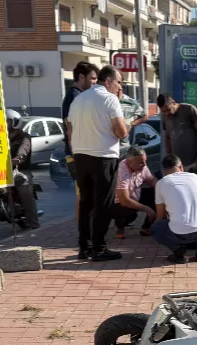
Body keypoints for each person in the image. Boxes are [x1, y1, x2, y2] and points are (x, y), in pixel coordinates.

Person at [66, 65, 129, 261]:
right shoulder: (110, 99)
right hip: (103, 156)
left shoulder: (78, 99)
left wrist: (77, 150)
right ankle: (99, 248)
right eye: (118, 82)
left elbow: (69, 129)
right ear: (108, 81)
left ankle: (84, 247)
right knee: (103, 204)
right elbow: (121, 132)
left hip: (81, 156)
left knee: (86, 203)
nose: (120, 87)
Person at [152, 154, 197, 264]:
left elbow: (160, 216)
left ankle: (178, 251)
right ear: (181, 167)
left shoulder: (161, 183)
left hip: (182, 232)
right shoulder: (196, 178)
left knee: (157, 227)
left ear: (164, 170)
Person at [62, 61, 99, 221]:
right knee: (83, 194)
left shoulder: (78, 96)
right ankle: (83, 227)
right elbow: (70, 126)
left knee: (86, 193)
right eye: (93, 78)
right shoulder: (75, 96)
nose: (95, 82)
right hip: (77, 154)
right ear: (82, 77)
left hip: (80, 153)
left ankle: (85, 226)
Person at [157, 93, 197, 173]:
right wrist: (169, 155)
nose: (167, 113)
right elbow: (167, 136)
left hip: (194, 161)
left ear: (173, 103)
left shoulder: (189, 109)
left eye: (168, 109)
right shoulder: (164, 117)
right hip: (177, 164)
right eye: (163, 111)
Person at [113, 146, 157, 239]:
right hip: (119, 202)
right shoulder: (121, 171)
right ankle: (120, 228)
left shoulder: (143, 167)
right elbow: (124, 200)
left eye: (145, 161)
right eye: (141, 162)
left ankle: (146, 227)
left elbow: (152, 180)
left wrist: (164, 189)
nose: (144, 165)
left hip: (136, 196)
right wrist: (148, 210)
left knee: (157, 195)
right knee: (129, 213)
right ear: (129, 162)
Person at [6, 109, 39, 230]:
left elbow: (23, 150)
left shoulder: (24, 137)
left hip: (20, 170)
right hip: (2, 170)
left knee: (23, 187)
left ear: (15, 122)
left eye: (7, 121)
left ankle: (33, 223)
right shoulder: (0, 137)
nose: (5, 124)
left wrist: (18, 158)